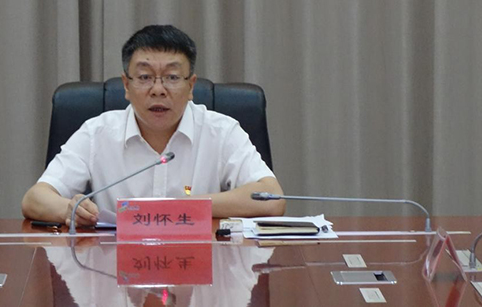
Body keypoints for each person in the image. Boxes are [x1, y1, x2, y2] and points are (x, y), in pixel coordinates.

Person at [22, 25, 285, 227]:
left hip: (201, 269)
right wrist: (69, 210)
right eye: (145, 77)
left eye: (172, 77)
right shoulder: (96, 133)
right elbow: (35, 199)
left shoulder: (222, 132)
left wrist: (183, 207)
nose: (158, 90)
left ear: (191, 86)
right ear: (126, 85)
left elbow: (272, 198)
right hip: (113, 271)